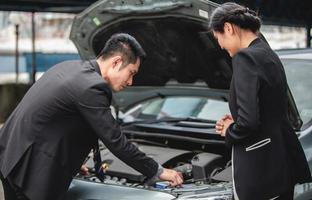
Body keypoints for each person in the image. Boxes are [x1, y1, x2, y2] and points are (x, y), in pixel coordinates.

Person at [0, 33, 183, 200]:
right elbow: (115, 140)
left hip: (12, 156)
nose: (130, 82)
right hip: (30, 169)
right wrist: (157, 171)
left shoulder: (70, 68)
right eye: (131, 73)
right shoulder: (92, 87)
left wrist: (71, 160)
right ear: (116, 62)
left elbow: (54, 122)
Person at [209, 3, 311, 200]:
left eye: (218, 38)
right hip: (281, 164)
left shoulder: (244, 58)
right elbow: (270, 108)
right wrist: (237, 116)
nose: (220, 45)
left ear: (228, 28)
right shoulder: (268, 53)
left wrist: (229, 129)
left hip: (260, 170)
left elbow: (249, 122)